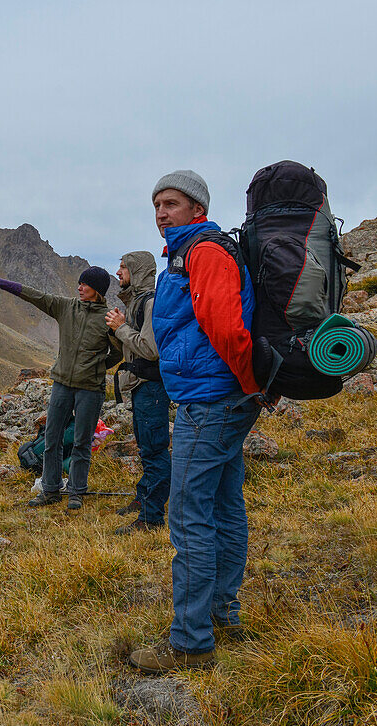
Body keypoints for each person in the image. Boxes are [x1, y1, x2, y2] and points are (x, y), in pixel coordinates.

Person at [129, 170, 264, 674]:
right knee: (226, 506)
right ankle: (222, 613)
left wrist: (251, 384)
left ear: (197, 207)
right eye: (157, 205)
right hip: (221, 399)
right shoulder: (190, 254)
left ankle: (190, 642)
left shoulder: (204, 253)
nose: (162, 213)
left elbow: (226, 328)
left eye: (171, 203)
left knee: (188, 516)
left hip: (210, 404)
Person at [0, 267, 119, 509]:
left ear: (97, 290)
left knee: (82, 442)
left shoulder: (107, 317)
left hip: (90, 389)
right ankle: (50, 490)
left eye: (85, 284)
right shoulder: (66, 307)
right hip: (62, 384)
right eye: (79, 282)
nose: (79, 287)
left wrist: (98, 366)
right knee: (52, 438)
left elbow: (118, 350)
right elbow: (35, 295)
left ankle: (76, 491)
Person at [105, 251, 171, 534]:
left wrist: (121, 329)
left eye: (123, 267)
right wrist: (121, 326)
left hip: (151, 386)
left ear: (137, 270)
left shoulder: (151, 303)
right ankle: (144, 498)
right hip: (141, 386)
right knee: (146, 447)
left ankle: (152, 517)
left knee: (155, 450)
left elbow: (149, 349)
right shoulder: (137, 303)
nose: (118, 272)